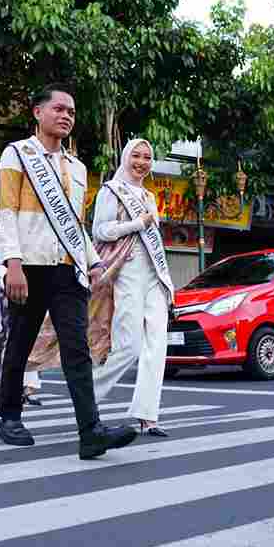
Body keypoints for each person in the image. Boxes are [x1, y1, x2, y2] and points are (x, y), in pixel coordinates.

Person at [0, 83, 137, 458]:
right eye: (58, 109)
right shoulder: (17, 155)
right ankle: (9, 416)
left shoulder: (77, 168)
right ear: (38, 112)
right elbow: (6, 212)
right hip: (29, 267)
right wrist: (12, 265)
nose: (66, 116)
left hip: (66, 271)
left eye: (71, 112)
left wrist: (92, 261)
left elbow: (74, 223)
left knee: (77, 349)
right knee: (21, 345)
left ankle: (90, 432)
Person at [90, 138, 175, 435]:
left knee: (157, 345)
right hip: (126, 271)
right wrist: (137, 223)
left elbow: (156, 239)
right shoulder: (110, 191)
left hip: (154, 275)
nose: (141, 162)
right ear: (126, 157)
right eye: (136, 156)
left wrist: (168, 281)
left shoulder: (150, 195)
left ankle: (148, 414)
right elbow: (99, 230)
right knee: (129, 345)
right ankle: (88, 397)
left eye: (147, 157)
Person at [0, 233, 43, 405]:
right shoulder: (3, 236)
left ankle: (29, 386)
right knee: (11, 339)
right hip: (10, 290)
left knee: (31, 339)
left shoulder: (30, 232)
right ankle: (6, 385)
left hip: (32, 288)